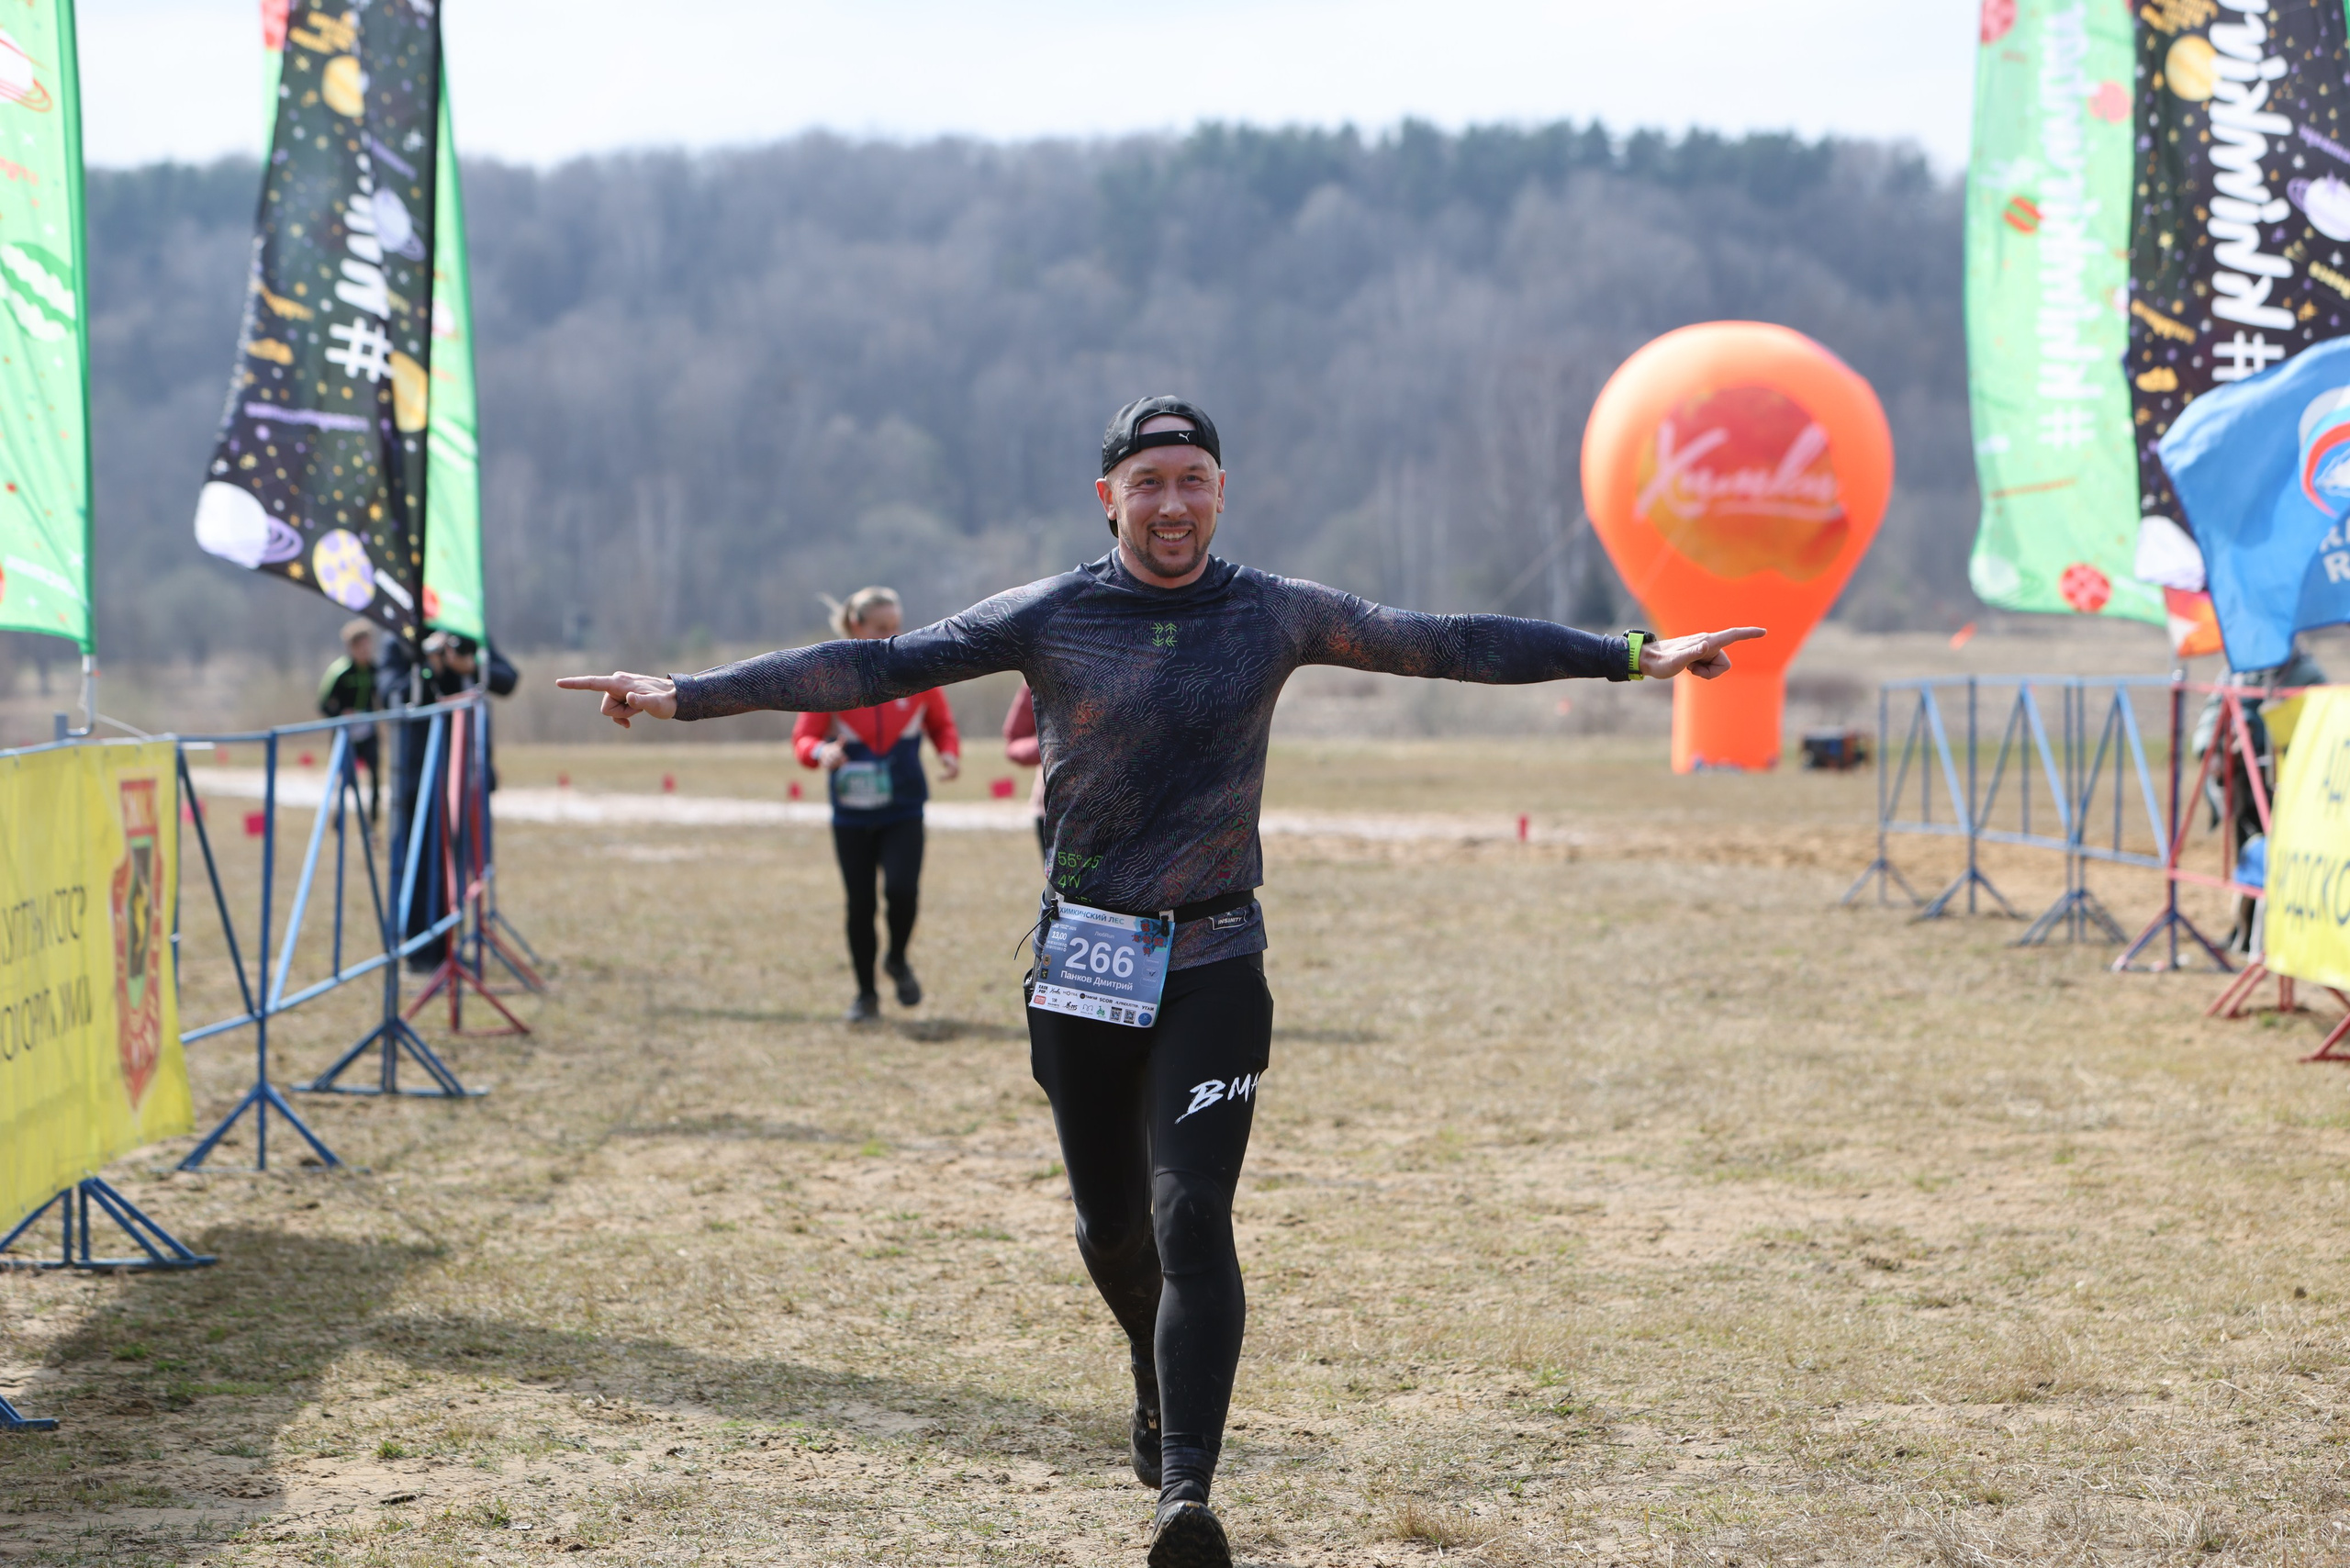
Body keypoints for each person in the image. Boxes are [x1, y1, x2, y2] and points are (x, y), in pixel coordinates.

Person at [558, 395, 1762, 1568]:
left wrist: (1634, 654)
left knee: (1194, 1218)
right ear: (1109, 499)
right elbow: (875, 665)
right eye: (1149, 484)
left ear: (1222, 494)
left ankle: (1187, 1494)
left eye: (1193, 482)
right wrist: (692, 694)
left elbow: (1444, 643)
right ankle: (1150, 1358)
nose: (1173, 504)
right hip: (1083, 955)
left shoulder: (1278, 613)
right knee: (1110, 1231)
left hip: (1217, 954)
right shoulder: (1048, 616)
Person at [794, 587, 962, 1023]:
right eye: (882, 628)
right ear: (857, 627)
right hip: (851, 814)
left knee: (902, 891)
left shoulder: (915, 671)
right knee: (861, 904)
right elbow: (804, 739)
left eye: (896, 626)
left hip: (904, 806)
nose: (892, 635)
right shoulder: (830, 679)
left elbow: (941, 724)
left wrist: (948, 752)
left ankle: (898, 959)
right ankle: (865, 995)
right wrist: (820, 753)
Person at [386, 631, 520, 972]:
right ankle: (419, 953)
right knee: (421, 866)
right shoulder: (400, 638)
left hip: (466, 772)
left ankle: (448, 947)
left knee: (457, 868)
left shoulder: (465, 629)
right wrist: (427, 666)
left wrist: (469, 664)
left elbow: (507, 679)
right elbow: (390, 691)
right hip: (420, 776)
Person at [318, 618, 382, 825]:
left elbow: (381, 697)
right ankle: (338, 819)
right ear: (352, 647)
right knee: (344, 779)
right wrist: (341, 714)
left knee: (375, 775)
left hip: (368, 731)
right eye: (361, 646)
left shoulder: (375, 670)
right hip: (345, 733)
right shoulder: (340, 671)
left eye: (368, 645)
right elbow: (324, 704)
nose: (366, 650)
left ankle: (373, 821)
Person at [1002, 681, 1048, 864]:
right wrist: (1051, 746)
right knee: (1064, 891)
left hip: (1125, 807)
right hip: (1054, 810)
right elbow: (1014, 740)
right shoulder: (1041, 669)